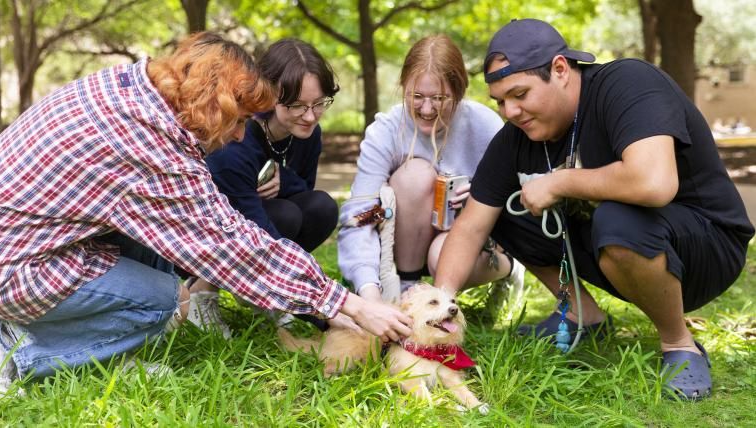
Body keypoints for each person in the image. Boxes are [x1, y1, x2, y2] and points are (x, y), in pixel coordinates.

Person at [0, 32, 411, 394]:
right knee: (160, 302)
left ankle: (91, 343)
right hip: (0, 264)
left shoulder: (130, 88)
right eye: (237, 121)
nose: (240, 137)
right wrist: (342, 302)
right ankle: (11, 349)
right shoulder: (149, 148)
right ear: (210, 106)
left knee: (160, 263)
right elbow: (231, 245)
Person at [434, 18, 754, 400]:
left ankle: (679, 344)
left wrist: (559, 181)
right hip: (619, 247)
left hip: (707, 247)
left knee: (617, 218)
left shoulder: (627, 83)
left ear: (560, 69)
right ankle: (582, 316)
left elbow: (653, 183)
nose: (510, 111)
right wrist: (437, 307)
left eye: (520, 94)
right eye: (500, 101)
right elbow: (471, 225)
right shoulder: (515, 140)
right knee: (505, 206)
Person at [337, 34, 523, 303]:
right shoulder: (385, 132)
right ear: (403, 87)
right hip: (402, 240)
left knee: (441, 253)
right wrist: (368, 288)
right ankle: (406, 287)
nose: (426, 109)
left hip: (467, 241)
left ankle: (509, 270)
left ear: (459, 92)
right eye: (416, 96)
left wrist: (483, 197)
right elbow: (359, 216)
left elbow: (520, 198)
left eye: (439, 98)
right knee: (414, 175)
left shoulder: (485, 125)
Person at [187, 39, 340, 333]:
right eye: (297, 105)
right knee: (285, 216)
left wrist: (283, 180)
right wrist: (326, 314)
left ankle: (264, 292)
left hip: (261, 221)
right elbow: (252, 227)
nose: (310, 116)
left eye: (319, 104)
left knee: (320, 207)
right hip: (211, 239)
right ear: (270, 94)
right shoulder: (237, 141)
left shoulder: (309, 133)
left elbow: (304, 191)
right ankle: (200, 293)